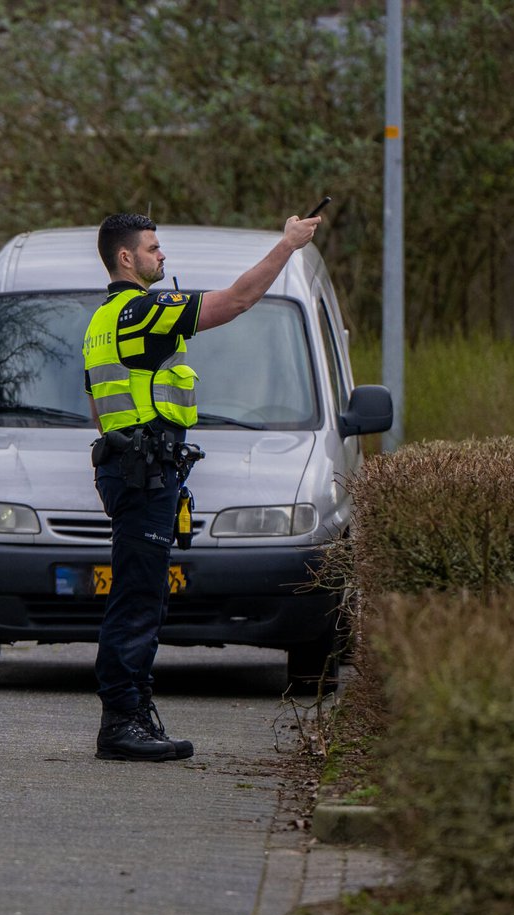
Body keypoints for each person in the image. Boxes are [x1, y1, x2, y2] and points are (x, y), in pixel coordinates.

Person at [82, 211, 321, 762]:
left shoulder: (102, 318)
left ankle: (134, 716)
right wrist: (288, 246)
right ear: (126, 258)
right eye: (153, 248)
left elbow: (97, 404)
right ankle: (123, 723)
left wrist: (123, 456)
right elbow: (236, 300)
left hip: (131, 469)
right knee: (138, 600)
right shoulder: (143, 309)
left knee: (138, 594)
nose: (161, 257)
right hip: (143, 474)